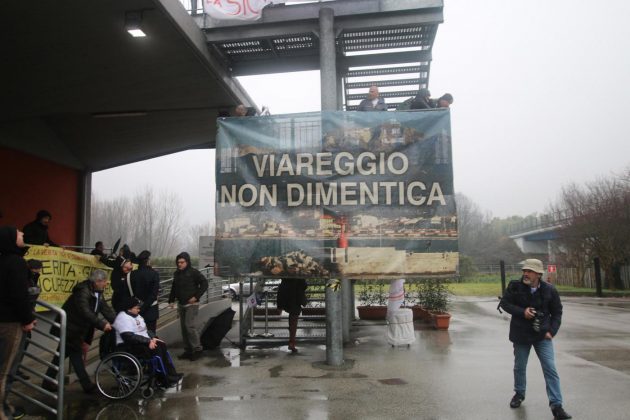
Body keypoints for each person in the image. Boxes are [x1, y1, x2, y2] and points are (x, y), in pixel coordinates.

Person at [499, 259, 572, 420]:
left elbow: (557, 312)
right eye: (524, 270)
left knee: (550, 368)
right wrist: (522, 312)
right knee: (520, 367)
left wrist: (551, 331)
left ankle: (557, 406)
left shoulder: (550, 290)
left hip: (542, 335)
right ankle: (519, 393)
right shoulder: (515, 286)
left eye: (530, 271)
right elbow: (505, 304)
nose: (525, 273)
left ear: (538, 274)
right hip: (521, 334)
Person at [43, 269, 116, 394]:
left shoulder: (97, 292)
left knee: (61, 354)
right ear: (97, 281)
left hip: (76, 329)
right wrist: (102, 324)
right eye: (104, 281)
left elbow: (105, 309)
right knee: (75, 356)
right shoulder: (83, 291)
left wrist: (119, 322)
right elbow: (85, 312)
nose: (106, 284)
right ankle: (87, 385)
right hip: (70, 328)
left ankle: (47, 381)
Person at [0, 227, 36, 420]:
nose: (22, 234)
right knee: (6, 370)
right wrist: (28, 319)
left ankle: (6, 407)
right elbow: (19, 295)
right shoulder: (16, 263)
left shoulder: (4, 260)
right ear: (10, 239)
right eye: (18, 233)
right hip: (11, 323)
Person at [112, 297, 182, 386]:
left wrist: (153, 338)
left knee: (161, 345)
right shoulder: (123, 318)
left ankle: (171, 374)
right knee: (156, 349)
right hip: (128, 345)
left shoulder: (136, 315)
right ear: (129, 308)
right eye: (137, 308)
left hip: (141, 341)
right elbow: (128, 336)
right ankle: (163, 378)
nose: (139, 310)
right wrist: (148, 341)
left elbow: (146, 330)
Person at [168, 252, 208, 361]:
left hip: (192, 305)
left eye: (182, 262)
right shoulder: (177, 273)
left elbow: (204, 283)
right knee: (184, 329)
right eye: (178, 262)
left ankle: (197, 349)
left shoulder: (194, 272)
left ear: (187, 262)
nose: (179, 264)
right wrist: (171, 300)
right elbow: (174, 287)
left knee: (189, 326)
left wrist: (196, 297)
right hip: (181, 304)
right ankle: (188, 350)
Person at [130, 250, 160, 336]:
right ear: (148, 261)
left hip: (136, 310)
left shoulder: (131, 274)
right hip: (151, 310)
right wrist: (145, 306)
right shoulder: (154, 274)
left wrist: (140, 308)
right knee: (151, 336)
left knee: (137, 335)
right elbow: (154, 294)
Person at [276, 278, 307, 353]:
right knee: (293, 319)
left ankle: (292, 342)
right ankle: (292, 342)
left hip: (288, 292)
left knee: (293, 319)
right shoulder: (298, 277)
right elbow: (304, 285)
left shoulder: (286, 278)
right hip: (295, 294)